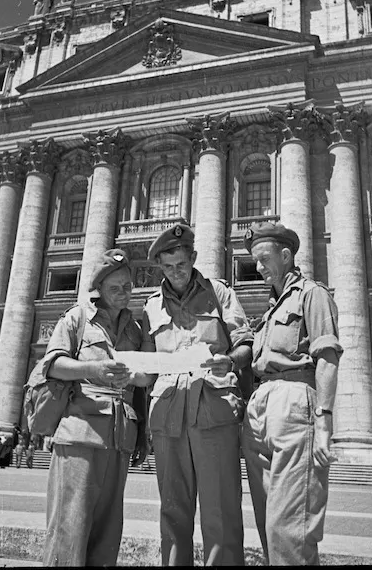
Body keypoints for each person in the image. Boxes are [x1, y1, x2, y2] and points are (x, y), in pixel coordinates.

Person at [142, 222, 253, 566]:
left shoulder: (220, 293)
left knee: (221, 508)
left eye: (181, 264)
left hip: (214, 411)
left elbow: (246, 345)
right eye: (167, 266)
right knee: (172, 510)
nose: (175, 273)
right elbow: (147, 368)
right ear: (159, 265)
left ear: (193, 258)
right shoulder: (149, 307)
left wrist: (229, 362)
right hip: (167, 416)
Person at [240, 220, 343, 565]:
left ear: (286, 256)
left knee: (291, 528)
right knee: (270, 523)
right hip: (260, 408)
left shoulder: (312, 294)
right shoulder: (271, 309)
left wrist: (324, 421)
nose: (258, 268)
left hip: (295, 402)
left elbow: (327, 356)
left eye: (264, 258)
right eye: (254, 261)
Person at [42, 249, 152, 567]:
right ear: (99, 289)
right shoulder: (77, 318)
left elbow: (144, 382)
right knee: (69, 524)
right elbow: (54, 365)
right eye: (115, 288)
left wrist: (142, 433)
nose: (123, 294)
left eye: (128, 287)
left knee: (108, 529)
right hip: (80, 432)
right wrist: (95, 370)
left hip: (120, 437)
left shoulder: (136, 330)